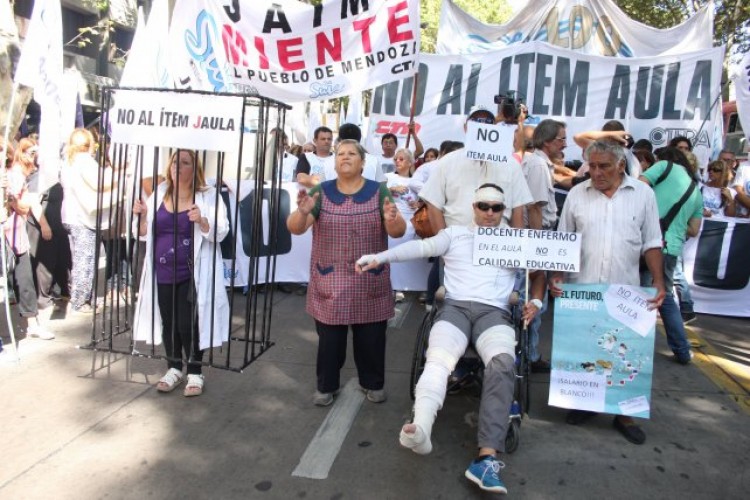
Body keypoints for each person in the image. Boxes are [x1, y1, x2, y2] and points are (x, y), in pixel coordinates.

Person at [356, 184, 545, 494]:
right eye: (484, 206)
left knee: (502, 363)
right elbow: (419, 248)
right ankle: (421, 428)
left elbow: (538, 274)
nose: (489, 212)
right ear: (474, 206)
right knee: (438, 358)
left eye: (496, 207)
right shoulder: (455, 235)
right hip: (455, 308)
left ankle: (486, 458)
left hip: (494, 312)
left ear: (504, 210)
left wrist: (535, 301)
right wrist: (379, 257)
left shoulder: (515, 241)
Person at [550, 140, 666, 445]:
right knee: (586, 350)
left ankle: (624, 414)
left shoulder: (643, 194)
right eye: (592, 166)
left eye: (604, 166)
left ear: (621, 165)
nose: (596, 172)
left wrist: (659, 281)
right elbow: (564, 240)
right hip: (583, 288)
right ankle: (586, 404)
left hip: (625, 290)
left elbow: (652, 242)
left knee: (624, 352)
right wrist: (557, 276)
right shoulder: (577, 194)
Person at [286, 139, 406, 407]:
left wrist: (392, 218)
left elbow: (397, 231)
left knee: (371, 339)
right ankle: (326, 386)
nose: (346, 157)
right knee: (330, 341)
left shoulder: (379, 191)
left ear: (363, 162)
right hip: (330, 279)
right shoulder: (320, 191)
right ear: (334, 161)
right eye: (340, 153)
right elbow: (295, 227)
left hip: (369, 279)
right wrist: (302, 212)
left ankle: (373, 383)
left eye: (352, 153)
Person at [132, 150, 230, 397]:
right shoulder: (160, 192)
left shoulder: (209, 196)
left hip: (192, 271)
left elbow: (222, 232)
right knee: (168, 321)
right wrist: (141, 217)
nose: (177, 166)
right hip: (162, 270)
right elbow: (142, 233)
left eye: (184, 163)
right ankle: (174, 367)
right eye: (175, 161)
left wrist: (203, 221)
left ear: (194, 169)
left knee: (188, 323)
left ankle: (195, 371)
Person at [419, 105, 533, 231]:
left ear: (495, 127)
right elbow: (433, 204)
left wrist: (515, 243)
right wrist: (444, 239)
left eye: (487, 122)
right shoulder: (447, 161)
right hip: (456, 238)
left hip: (498, 239)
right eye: (476, 121)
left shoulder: (511, 164)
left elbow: (518, 211)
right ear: (465, 127)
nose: (482, 125)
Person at [641, 148, 703, 334]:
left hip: (648, 243)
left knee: (640, 295)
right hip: (672, 249)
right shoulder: (695, 191)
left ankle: (636, 341)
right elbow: (694, 230)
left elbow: (638, 187)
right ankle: (681, 345)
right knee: (665, 297)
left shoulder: (664, 166)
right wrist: (676, 222)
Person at [519, 119, 565, 373]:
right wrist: (537, 245)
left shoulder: (540, 163)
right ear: (547, 141)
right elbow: (535, 207)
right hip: (537, 235)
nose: (564, 144)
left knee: (535, 298)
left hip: (538, 235)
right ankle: (529, 355)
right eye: (561, 139)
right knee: (535, 299)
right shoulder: (537, 165)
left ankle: (530, 352)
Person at [61, 128, 118, 314]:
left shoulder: (69, 161)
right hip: (83, 217)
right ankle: (80, 301)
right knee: (85, 260)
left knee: (85, 258)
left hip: (73, 215)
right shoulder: (83, 161)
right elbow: (100, 183)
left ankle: (88, 297)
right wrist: (117, 173)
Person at [5, 138, 54, 339]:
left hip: (16, 235)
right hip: (4, 236)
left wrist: (12, 201)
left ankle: (33, 324)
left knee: (24, 280)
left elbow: (25, 206)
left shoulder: (12, 176)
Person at [386, 148, 420, 302]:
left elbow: (426, 198)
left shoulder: (416, 181)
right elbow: (377, 192)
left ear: (410, 162)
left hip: (411, 222)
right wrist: (391, 189)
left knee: (407, 255)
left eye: (401, 159)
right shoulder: (388, 177)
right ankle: (393, 287)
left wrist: (418, 203)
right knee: (393, 254)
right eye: (396, 159)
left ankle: (409, 286)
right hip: (393, 220)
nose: (397, 162)